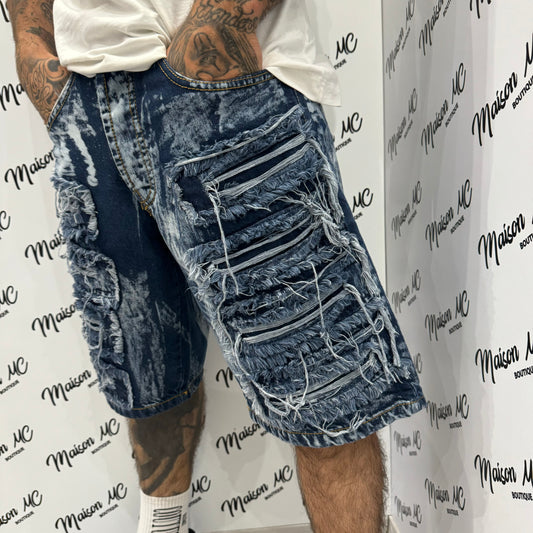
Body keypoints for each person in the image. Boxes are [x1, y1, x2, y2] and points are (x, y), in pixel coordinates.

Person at [7, 1, 425, 531]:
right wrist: (36, 54)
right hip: (86, 107)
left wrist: (216, 24)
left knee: (325, 392)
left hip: (223, 88)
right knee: (150, 386)